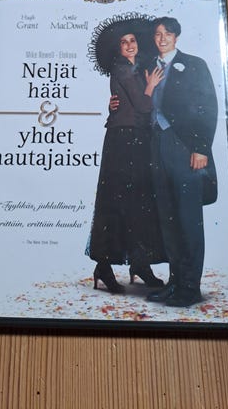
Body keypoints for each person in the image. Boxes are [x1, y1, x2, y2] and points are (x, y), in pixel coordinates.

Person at [87, 16, 166, 293]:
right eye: (124, 42)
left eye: (133, 40)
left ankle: (140, 264)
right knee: (116, 201)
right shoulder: (122, 68)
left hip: (140, 139)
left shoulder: (140, 67)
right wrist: (150, 86)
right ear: (117, 48)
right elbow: (143, 105)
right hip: (122, 141)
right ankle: (103, 267)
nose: (130, 45)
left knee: (141, 203)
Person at [146, 17, 218, 307]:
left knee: (188, 219)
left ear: (177, 37)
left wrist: (201, 148)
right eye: (158, 34)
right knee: (167, 218)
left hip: (185, 147)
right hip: (156, 145)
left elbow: (208, 106)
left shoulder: (194, 65)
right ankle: (174, 283)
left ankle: (190, 287)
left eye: (168, 33)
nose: (162, 38)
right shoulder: (149, 66)